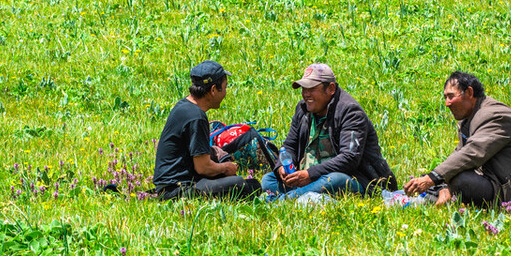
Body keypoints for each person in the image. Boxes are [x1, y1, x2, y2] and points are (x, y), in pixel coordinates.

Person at [404, 71, 511, 208]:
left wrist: (433, 178)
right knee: (446, 176)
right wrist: (438, 180)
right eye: (445, 97)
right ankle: (440, 194)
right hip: (496, 181)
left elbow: (472, 153)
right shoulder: (471, 117)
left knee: (459, 180)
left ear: (469, 92)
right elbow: (459, 155)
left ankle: (442, 196)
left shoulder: (493, 115)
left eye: (451, 96)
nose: (447, 103)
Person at [262, 63, 398, 201]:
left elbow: (349, 158)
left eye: (312, 88)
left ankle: (284, 200)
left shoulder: (350, 112)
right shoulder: (303, 109)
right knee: (268, 180)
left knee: (335, 180)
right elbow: (290, 145)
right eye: (304, 88)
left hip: (353, 179)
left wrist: (310, 174)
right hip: (310, 176)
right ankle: (301, 194)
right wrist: (282, 167)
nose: (306, 94)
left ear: (331, 88)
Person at [153, 61, 263, 200]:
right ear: (213, 90)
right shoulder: (197, 117)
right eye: (224, 87)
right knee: (250, 186)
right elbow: (203, 168)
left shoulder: (183, 106)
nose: (225, 93)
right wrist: (226, 167)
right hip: (178, 190)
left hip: (169, 185)